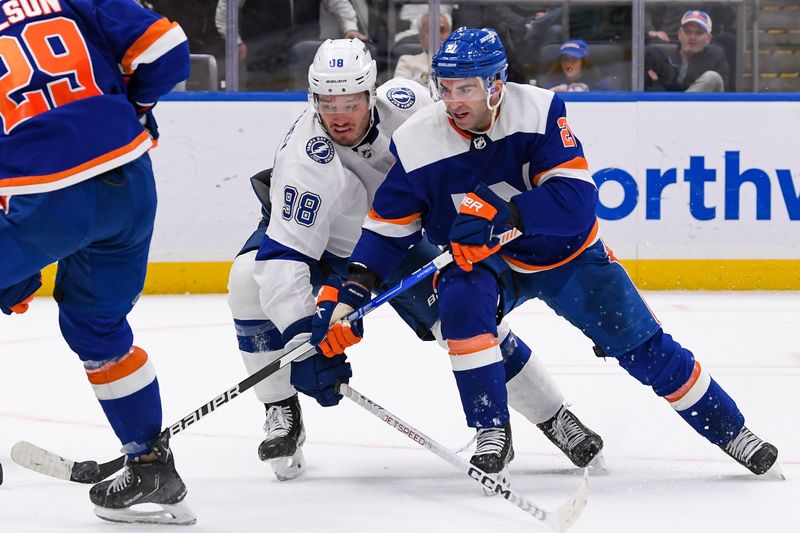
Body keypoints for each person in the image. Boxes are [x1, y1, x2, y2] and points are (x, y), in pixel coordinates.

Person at [313, 27, 780, 479]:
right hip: (489, 265)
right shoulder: (418, 139)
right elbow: (386, 230)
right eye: (446, 87)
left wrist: (507, 216)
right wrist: (351, 297)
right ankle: (491, 428)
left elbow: (576, 203)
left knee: (645, 350)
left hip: (567, 257)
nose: (454, 101)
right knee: (460, 304)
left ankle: (732, 430)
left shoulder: (538, 112)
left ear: (496, 85)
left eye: (467, 88)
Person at [226, 38, 604, 483]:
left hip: (389, 244)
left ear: (371, 93)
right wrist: (298, 342)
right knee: (246, 281)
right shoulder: (304, 161)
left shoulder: (408, 104)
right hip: (313, 248)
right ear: (313, 101)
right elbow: (285, 256)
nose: (340, 115)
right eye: (327, 103)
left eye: (350, 101)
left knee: (466, 318)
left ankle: (553, 415)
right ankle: (279, 407)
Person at [0, 0, 193, 525]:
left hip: (45, 199)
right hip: (129, 181)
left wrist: (15, 272)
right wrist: (134, 108)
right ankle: (150, 465)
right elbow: (170, 52)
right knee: (96, 326)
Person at [215, 0, 367, 90]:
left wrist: (350, 28)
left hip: (305, 55)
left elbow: (339, 3)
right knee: (265, 100)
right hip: (263, 55)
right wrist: (235, 42)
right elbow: (227, 8)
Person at [645, 10, 729, 92]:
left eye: (699, 33)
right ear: (679, 34)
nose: (692, 37)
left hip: (701, 105)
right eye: (687, 32)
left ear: (708, 39)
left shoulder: (716, 58)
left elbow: (721, 93)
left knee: (712, 77)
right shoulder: (660, 55)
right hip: (664, 104)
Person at [394, 11, 452, 86]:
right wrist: (425, 77)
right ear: (421, 38)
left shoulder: (463, 62)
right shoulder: (406, 61)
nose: (436, 36)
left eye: (441, 30)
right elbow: (398, 90)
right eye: (431, 31)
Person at [539, 39, 611, 92]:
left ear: (583, 62)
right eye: (564, 59)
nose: (568, 63)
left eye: (574, 59)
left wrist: (588, 93)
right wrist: (551, 93)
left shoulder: (597, 85)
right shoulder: (551, 84)